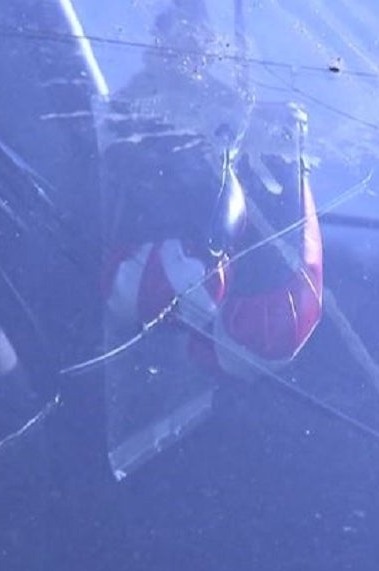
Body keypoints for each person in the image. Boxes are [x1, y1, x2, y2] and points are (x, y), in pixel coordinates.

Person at [100, 0, 324, 382]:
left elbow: (266, 340)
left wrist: (278, 162)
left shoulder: (235, 111)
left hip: (200, 371)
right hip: (125, 364)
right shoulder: (112, 115)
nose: (192, 40)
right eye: (173, 21)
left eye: (200, 26)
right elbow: (139, 296)